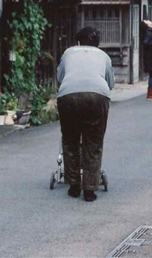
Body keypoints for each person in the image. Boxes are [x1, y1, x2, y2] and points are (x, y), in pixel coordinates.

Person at [56, 27, 115, 202]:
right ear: (97, 43)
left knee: (70, 140)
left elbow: (60, 78)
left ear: (78, 41)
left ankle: (74, 185)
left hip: (68, 95)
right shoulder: (103, 56)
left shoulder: (68, 53)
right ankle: (89, 189)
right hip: (97, 95)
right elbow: (110, 83)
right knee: (94, 142)